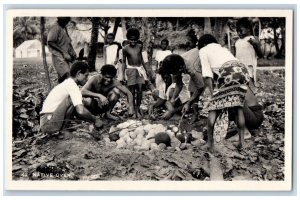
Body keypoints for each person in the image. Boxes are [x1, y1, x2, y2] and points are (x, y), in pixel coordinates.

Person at [198, 34, 250, 152]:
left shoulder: (203, 50)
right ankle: (242, 143)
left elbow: (207, 76)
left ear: (203, 44)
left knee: (213, 108)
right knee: (238, 108)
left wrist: (213, 96)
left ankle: (210, 143)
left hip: (228, 73)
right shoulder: (223, 49)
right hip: (242, 71)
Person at [39, 61, 103, 136]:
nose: (87, 78)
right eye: (86, 75)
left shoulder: (68, 83)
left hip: (47, 121)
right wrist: (95, 119)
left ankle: (64, 128)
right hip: (48, 123)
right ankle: (63, 131)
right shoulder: (72, 86)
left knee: (77, 102)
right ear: (78, 73)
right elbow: (81, 111)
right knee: (73, 100)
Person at [154, 53, 205, 120]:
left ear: (180, 68)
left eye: (174, 73)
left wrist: (188, 103)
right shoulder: (177, 62)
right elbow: (179, 83)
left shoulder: (192, 69)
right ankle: (195, 114)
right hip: (194, 62)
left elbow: (200, 87)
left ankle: (197, 114)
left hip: (207, 65)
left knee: (195, 88)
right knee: (192, 89)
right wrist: (173, 99)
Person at [122, 28, 148, 119]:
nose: (133, 41)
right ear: (128, 39)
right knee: (132, 91)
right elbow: (124, 62)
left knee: (140, 90)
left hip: (139, 69)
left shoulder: (139, 46)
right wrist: (122, 74)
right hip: (130, 70)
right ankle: (132, 109)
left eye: (135, 39)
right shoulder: (125, 48)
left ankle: (137, 108)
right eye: (131, 39)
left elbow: (141, 59)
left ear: (137, 38)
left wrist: (146, 70)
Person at [235, 17, 263, 90]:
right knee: (241, 88)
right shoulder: (237, 42)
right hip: (239, 68)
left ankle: (252, 98)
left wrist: (255, 45)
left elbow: (260, 55)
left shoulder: (254, 39)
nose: (238, 33)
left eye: (241, 31)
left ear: (248, 29)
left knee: (249, 87)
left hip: (249, 67)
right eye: (237, 31)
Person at [47, 17, 77, 83]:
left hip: (66, 55)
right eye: (65, 21)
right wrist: (63, 52)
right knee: (67, 75)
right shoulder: (55, 27)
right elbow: (50, 42)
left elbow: (68, 41)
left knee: (63, 77)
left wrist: (72, 51)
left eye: (67, 22)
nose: (66, 23)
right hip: (58, 56)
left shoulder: (64, 28)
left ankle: (59, 91)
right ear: (60, 20)